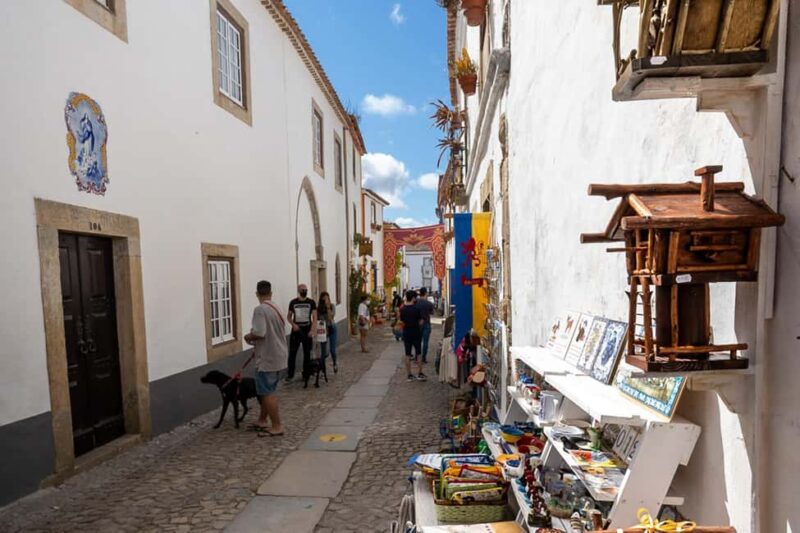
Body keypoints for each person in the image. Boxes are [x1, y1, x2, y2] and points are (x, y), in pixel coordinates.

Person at [243, 280, 286, 437]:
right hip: (279, 355)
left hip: (268, 357)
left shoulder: (260, 310)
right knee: (266, 391)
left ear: (257, 294)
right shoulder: (277, 307)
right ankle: (262, 419)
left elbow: (260, 333)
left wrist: (248, 336)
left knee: (267, 393)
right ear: (270, 293)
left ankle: (277, 426)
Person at [286, 284, 316, 383]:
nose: (304, 291)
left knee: (307, 353)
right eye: (302, 289)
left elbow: (314, 318)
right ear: (299, 290)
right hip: (296, 330)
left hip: (307, 328)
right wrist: (293, 324)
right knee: (292, 353)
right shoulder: (293, 302)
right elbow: (289, 317)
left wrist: (312, 330)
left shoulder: (311, 302)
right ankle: (290, 375)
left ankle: (306, 374)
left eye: (305, 289)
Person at [399, 290, 426, 382]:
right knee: (418, 353)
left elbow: (401, 321)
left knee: (407, 354)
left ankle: (409, 375)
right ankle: (420, 373)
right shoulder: (417, 309)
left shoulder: (402, 309)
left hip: (406, 333)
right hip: (416, 332)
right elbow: (421, 321)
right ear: (414, 298)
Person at [317, 291, 338, 373]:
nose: (326, 300)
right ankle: (323, 367)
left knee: (332, 349)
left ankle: (335, 363)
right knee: (323, 351)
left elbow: (331, 318)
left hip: (332, 327)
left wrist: (328, 307)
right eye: (324, 298)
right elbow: (318, 319)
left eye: (327, 298)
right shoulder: (319, 308)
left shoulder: (332, 306)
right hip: (323, 330)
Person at [416, 287, 435, 363]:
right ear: (426, 293)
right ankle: (423, 357)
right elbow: (432, 312)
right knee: (425, 342)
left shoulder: (416, 303)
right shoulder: (429, 303)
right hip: (426, 323)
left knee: (418, 341)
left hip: (417, 324)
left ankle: (417, 356)